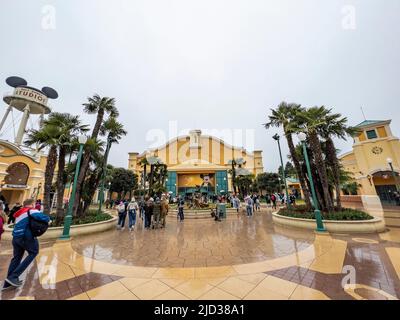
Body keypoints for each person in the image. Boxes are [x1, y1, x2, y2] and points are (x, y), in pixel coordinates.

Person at [2, 198, 50, 290]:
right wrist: (49, 220)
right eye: (34, 204)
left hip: (16, 237)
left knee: (16, 258)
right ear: (32, 204)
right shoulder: (31, 210)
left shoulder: (19, 213)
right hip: (25, 237)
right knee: (34, 252)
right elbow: (44, 217)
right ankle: (14, 276)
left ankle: (7, 283)